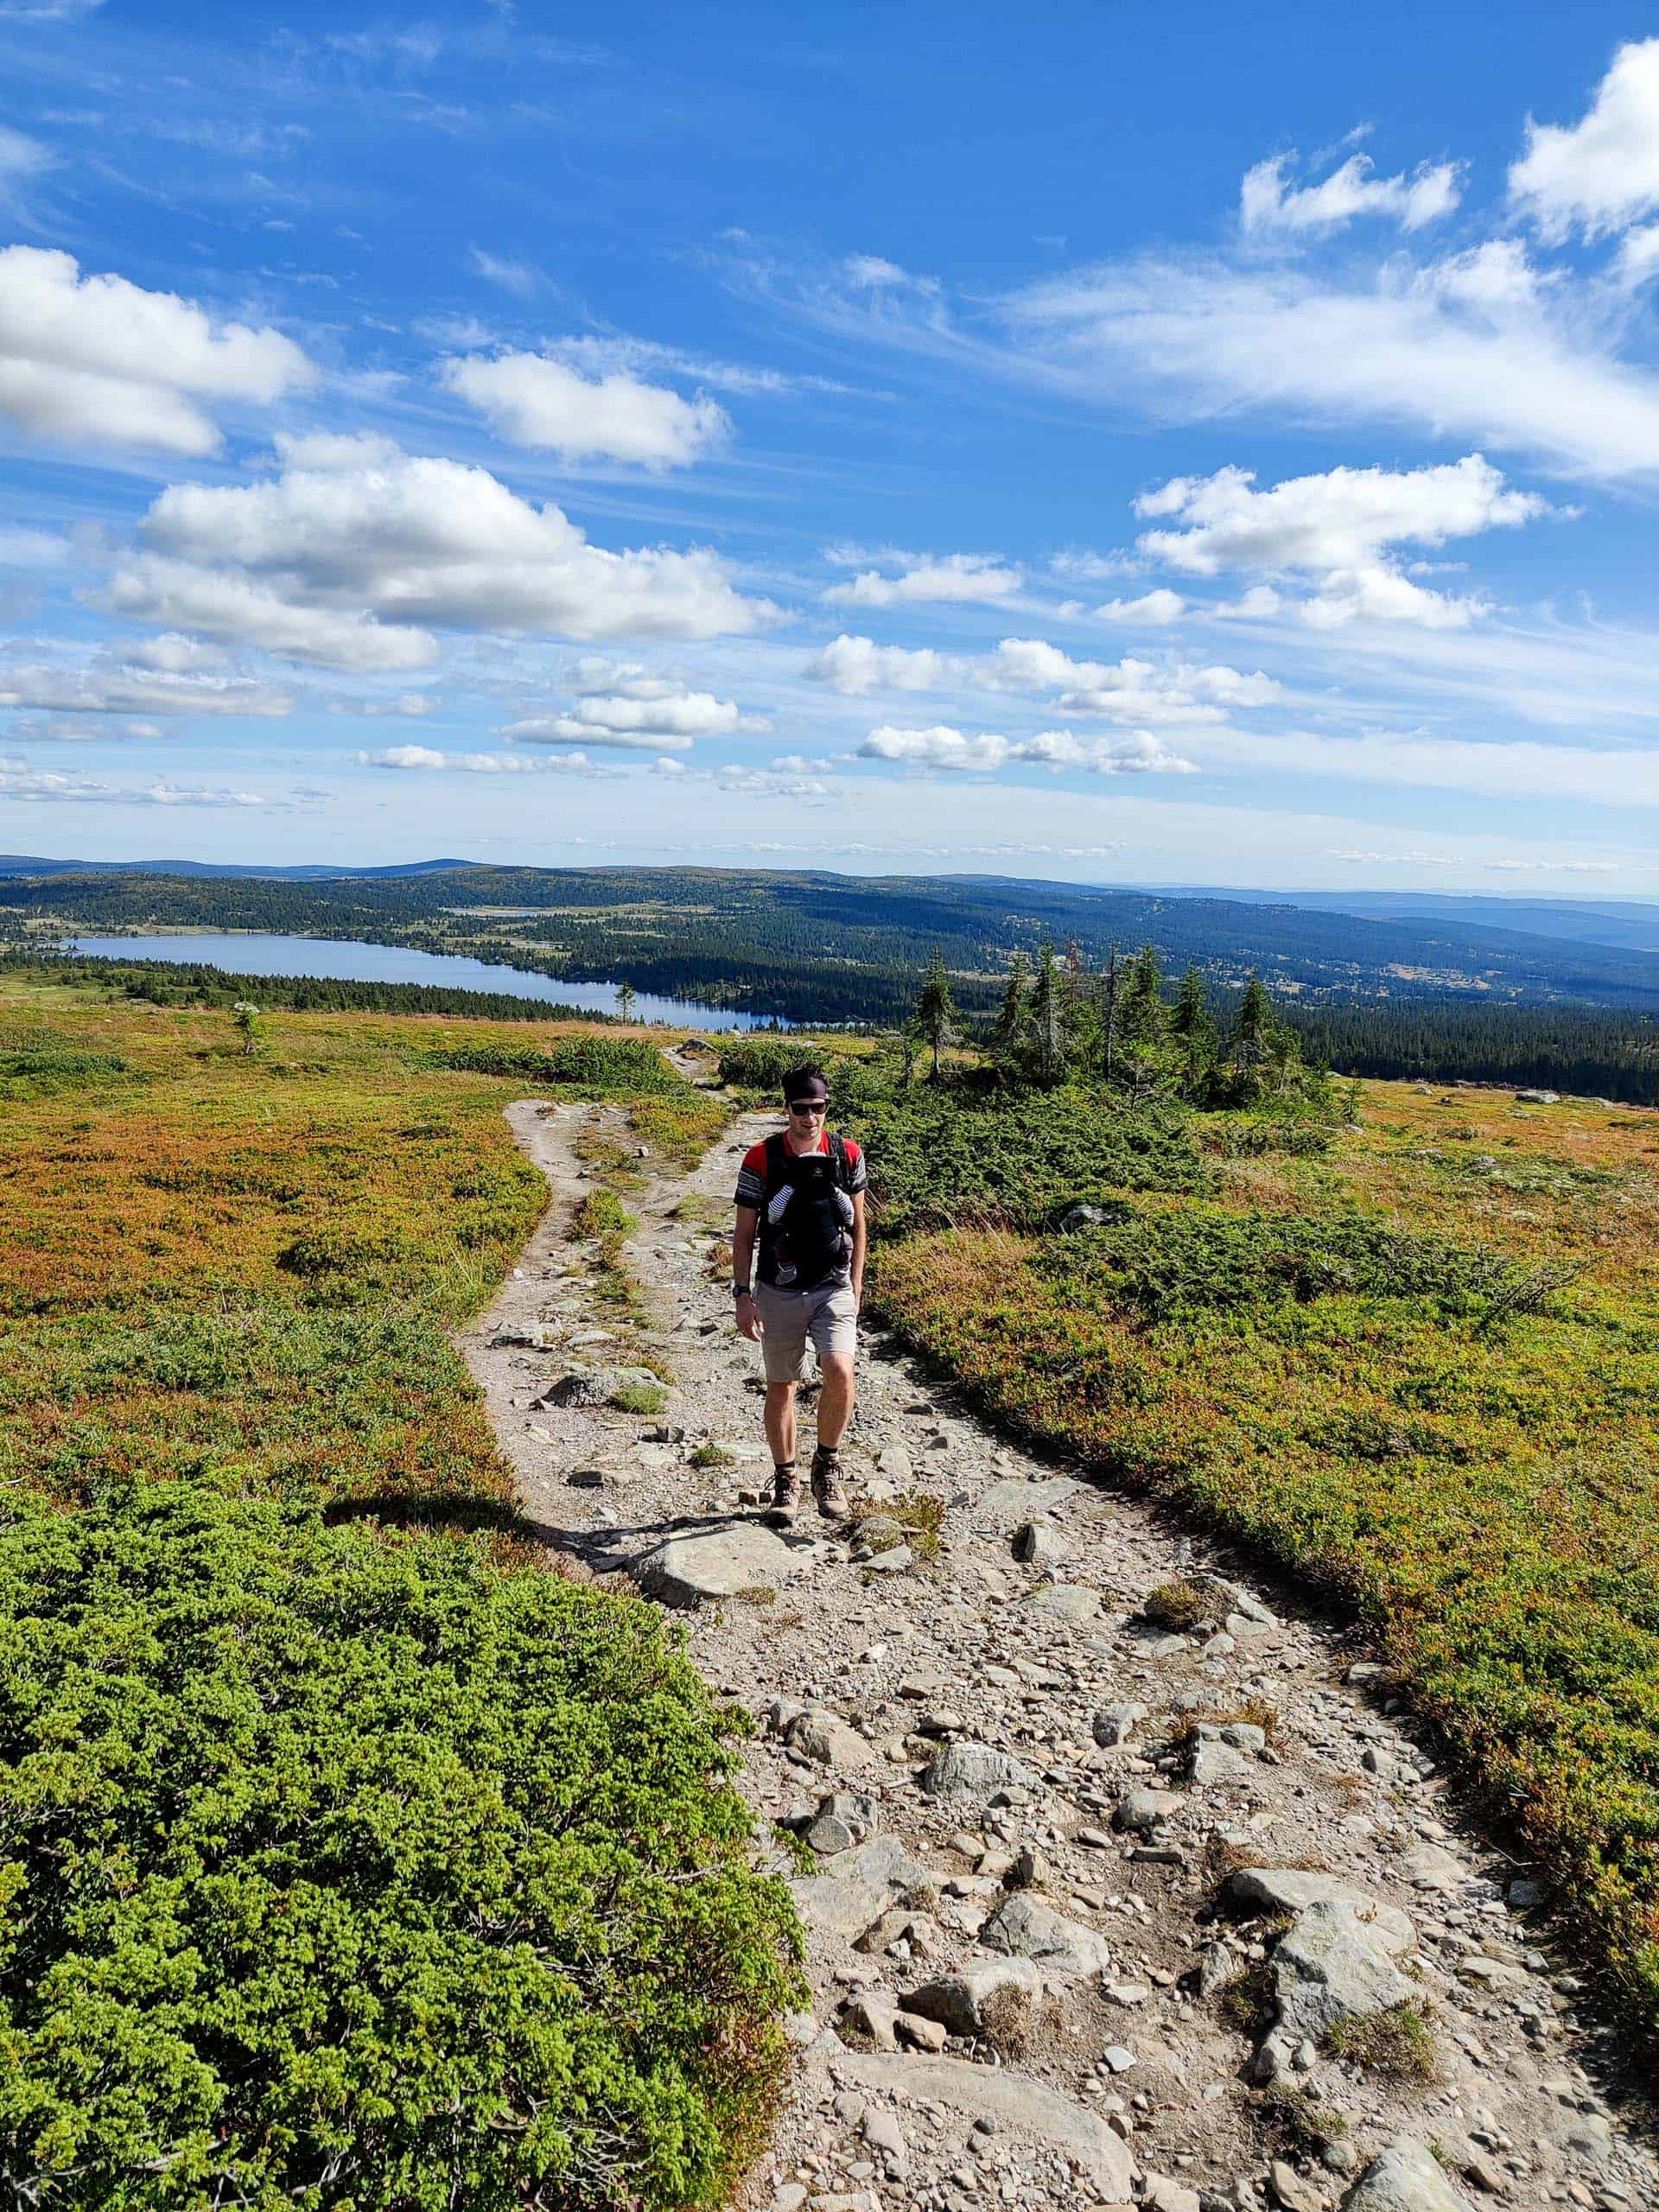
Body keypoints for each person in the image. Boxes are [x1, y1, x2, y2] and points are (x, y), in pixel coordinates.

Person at [731, 1063, 867, 1525]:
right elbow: (746, 1230)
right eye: (802, 1108)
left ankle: (826, 1467)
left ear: (827, 1107)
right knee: (782, 1386)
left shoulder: (847, 1154)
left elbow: (859, 1224)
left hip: (833, 1285)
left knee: (839, 1371)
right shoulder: (761, 1158)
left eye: (819, 1108)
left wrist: (857, 1281)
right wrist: (742, 1294)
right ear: (786, 1108)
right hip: (778, 1289)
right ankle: (785, 1482)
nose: (811, 1118)